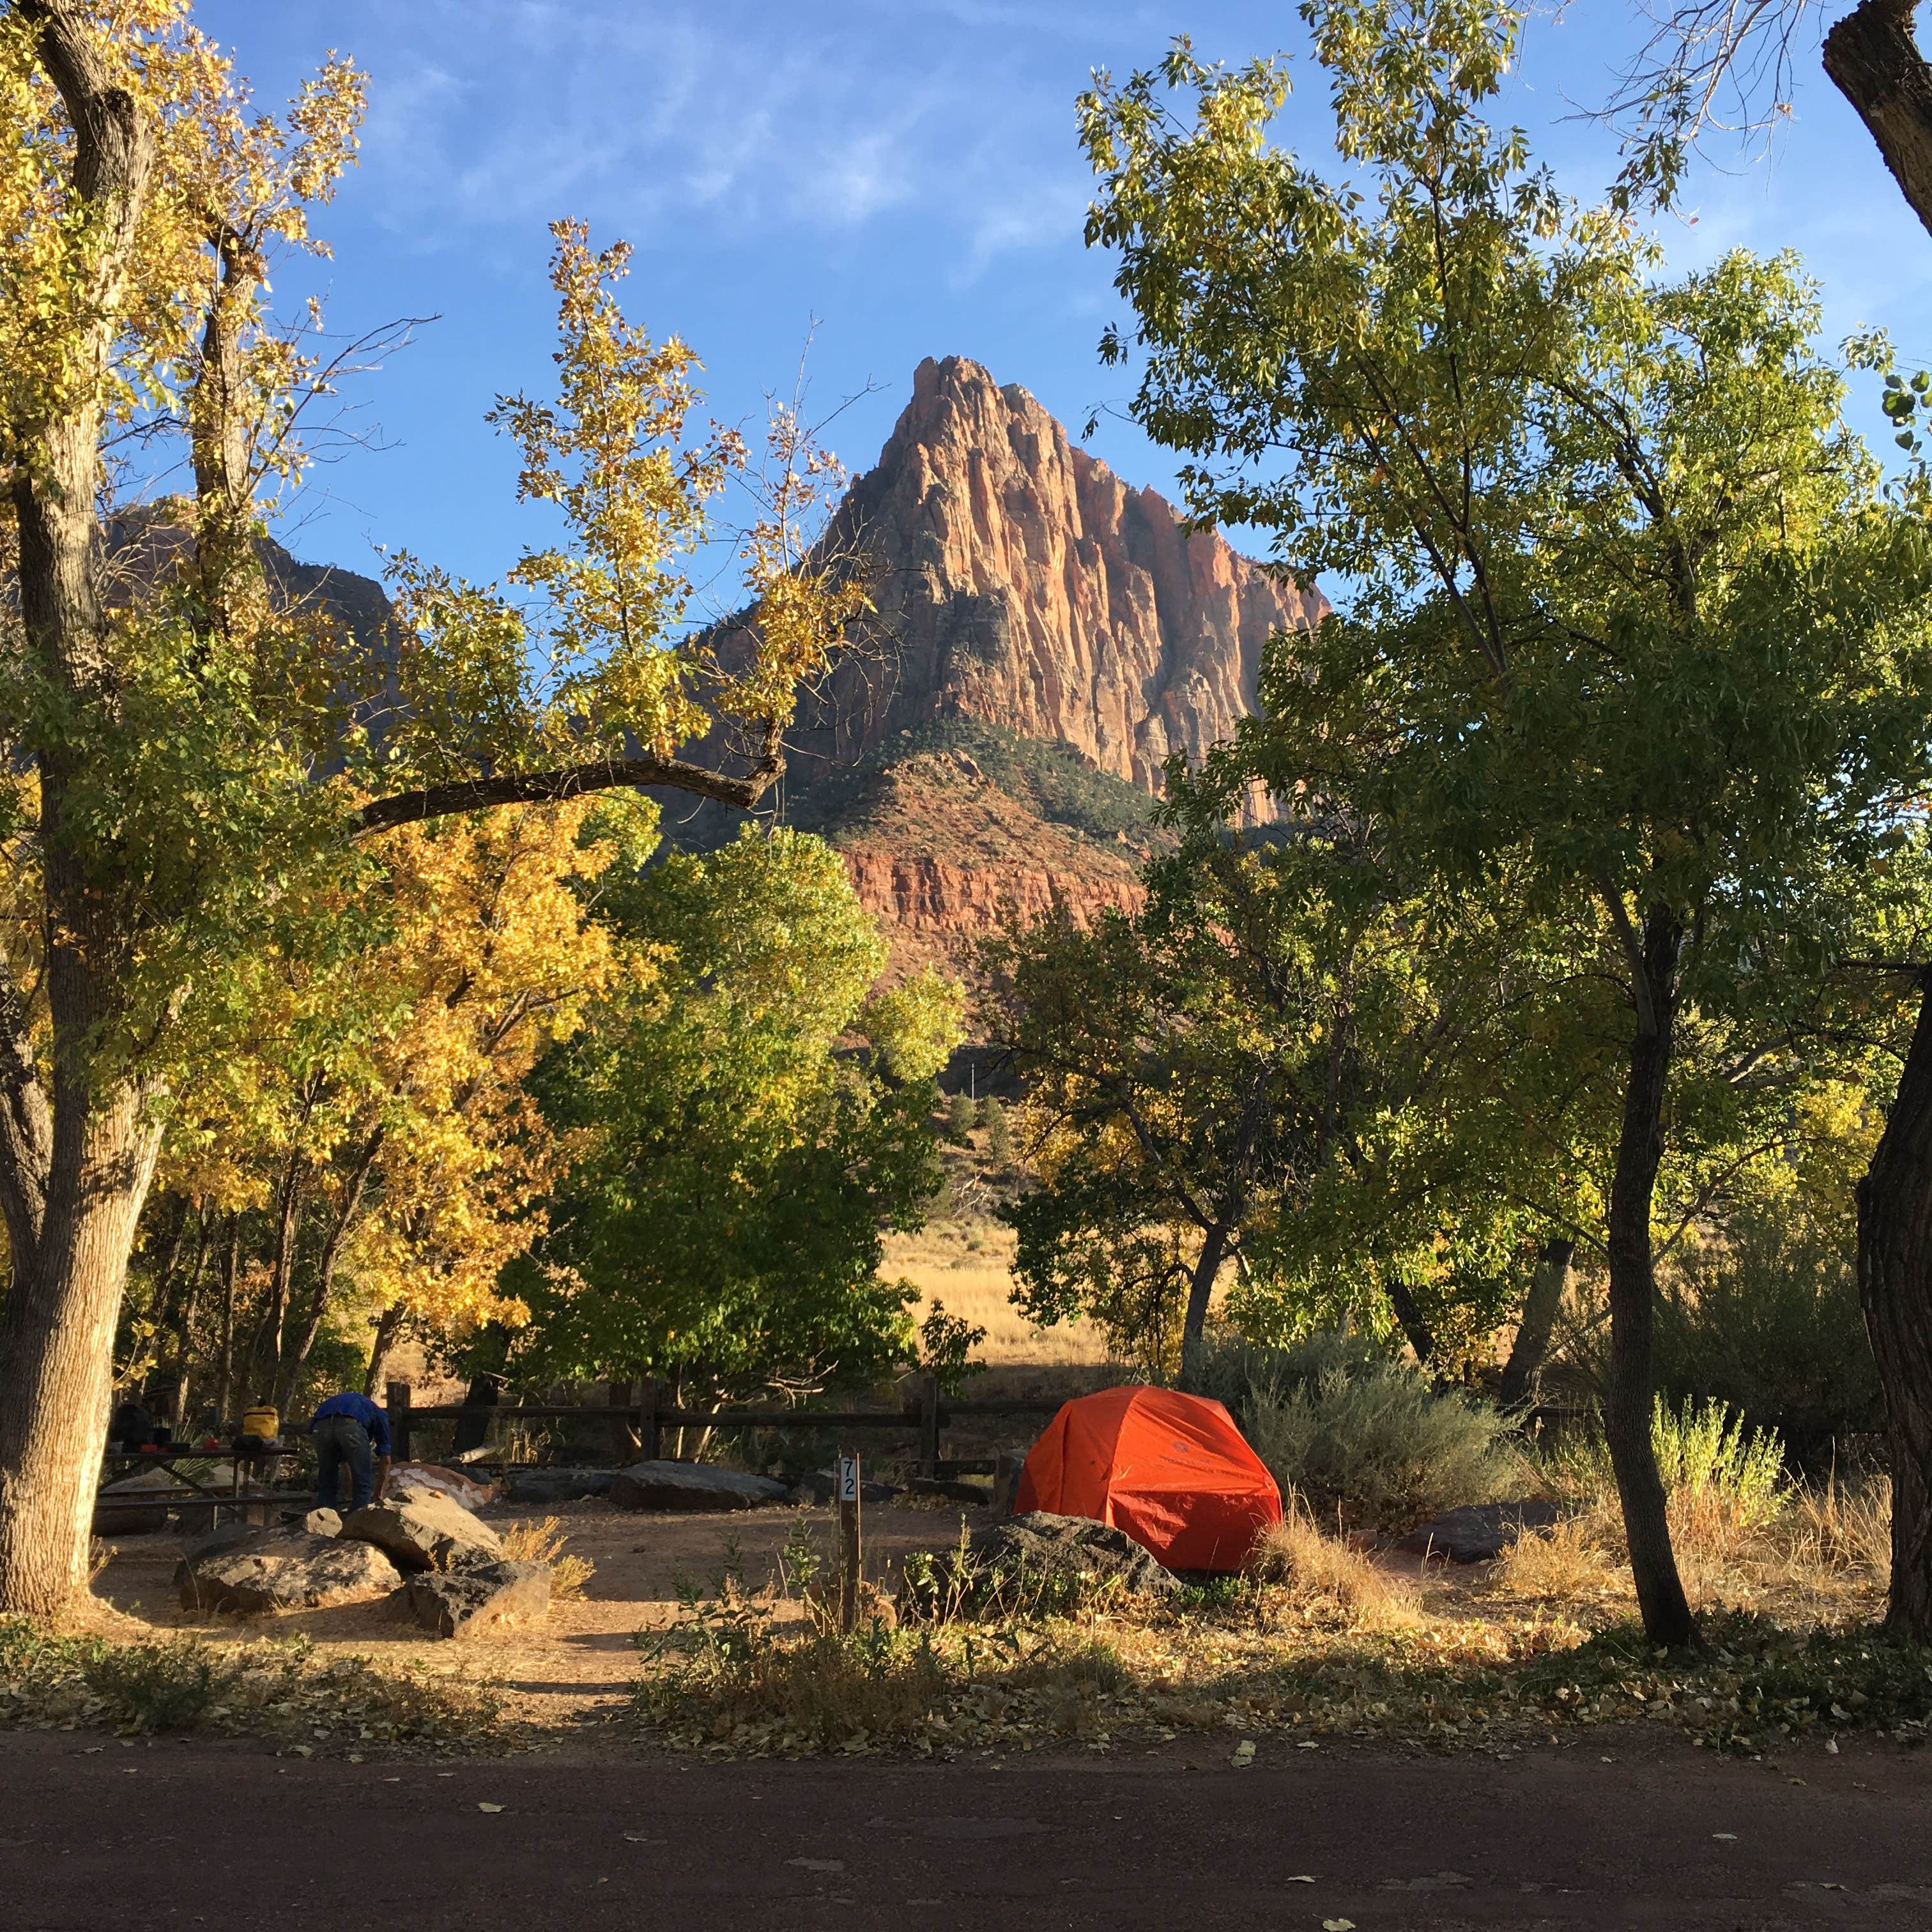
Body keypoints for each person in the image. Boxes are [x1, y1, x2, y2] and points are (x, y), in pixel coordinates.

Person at [310, 1390, 393, 1517]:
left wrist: (349, 1484)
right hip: (350, 1423)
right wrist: (378, 1492)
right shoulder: (380, 1415)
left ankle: (323, 1521)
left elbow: (343, 1457)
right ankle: (359, 1522)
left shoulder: (358, 1406)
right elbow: (386, 1459)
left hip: (320, 1424)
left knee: (327, 1478)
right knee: (363, 1482)